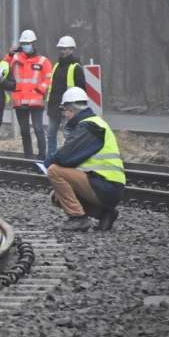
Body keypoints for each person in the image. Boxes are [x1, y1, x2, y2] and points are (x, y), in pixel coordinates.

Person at [44, 87, 125, 232]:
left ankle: (78, 219)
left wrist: (47, 163)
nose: (64, 115)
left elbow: (65, 156)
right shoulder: (94, 124)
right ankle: (104, 214)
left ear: (69, 110)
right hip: (107, 185)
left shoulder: (89, 126)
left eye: (64, 111)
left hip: (105, 185)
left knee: (54, 171)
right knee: (56, 196)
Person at [5, 29, 52, 160]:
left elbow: (48, 79)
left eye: (28, 43)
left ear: (33, 43)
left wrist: (40, 90)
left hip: (36, 101)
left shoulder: (43, 61)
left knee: (38, 129)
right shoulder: (15, 58)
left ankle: (42, 155)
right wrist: (10, 53)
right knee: (24, 130)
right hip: (20, 100)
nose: (25, 45)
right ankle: (28, 156)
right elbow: (3, 66)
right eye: (23, 43)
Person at [46, 35, 86, 157]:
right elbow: (52, 88)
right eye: (61, 48)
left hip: (68, 109)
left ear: (71, 49)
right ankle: (51, 159)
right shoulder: (56, 66)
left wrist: (76, 109)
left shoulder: (76, 68)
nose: (63, 51)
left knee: (68, 135)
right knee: (51, 134)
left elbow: (81, 90)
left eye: (65, 48)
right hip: (54, 107)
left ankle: (69, 158)